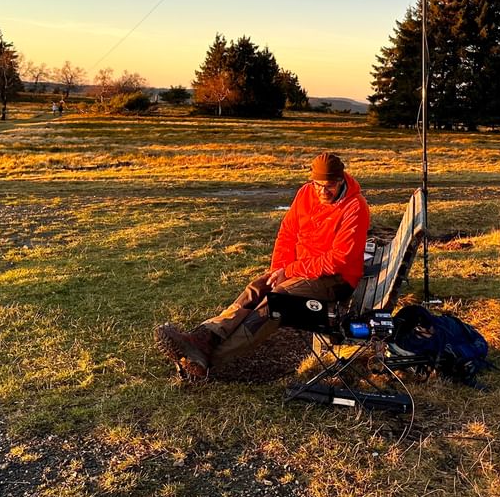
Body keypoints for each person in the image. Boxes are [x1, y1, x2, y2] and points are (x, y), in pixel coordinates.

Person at [155, 152, 370, 380]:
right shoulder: (305, 193)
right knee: (258, 288)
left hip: (336, 280)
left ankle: (207, 361)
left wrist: (288, 272)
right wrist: (277, 270)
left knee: (277, 302)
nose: (323, 192)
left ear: (341, 180)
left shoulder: (355, 207)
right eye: (318, 185)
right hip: (301, 270)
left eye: (330, 186)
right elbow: (287, 234)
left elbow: (337, 260)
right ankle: (204, 337)